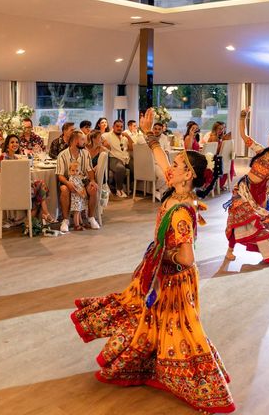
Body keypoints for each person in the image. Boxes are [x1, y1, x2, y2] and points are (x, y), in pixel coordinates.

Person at [70, 107, 234, 414]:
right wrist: (151, 138)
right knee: (151, 320)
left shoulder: (183, 210)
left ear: (190, 175)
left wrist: (163, 253)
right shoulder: (176, 190)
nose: (170, 167)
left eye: (179, 165)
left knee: (181, 331)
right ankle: (150, 366)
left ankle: (199, 384)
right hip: (158, 271)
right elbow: (160, 160)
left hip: (172, 278)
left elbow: (185, 258)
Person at [224, 107, 269, 265]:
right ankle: (230, 251)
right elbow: (244, 136)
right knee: (235, 218)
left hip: (260, 196)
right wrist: (243, 117)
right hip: (243, 188)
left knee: (259, 223)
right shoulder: (260, 151)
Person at [0, 134, 54, 225]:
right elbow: (3, 175)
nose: (15, 144)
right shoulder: (3, 157)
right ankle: (44, 214)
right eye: (12, 142)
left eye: (17, 142)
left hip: (19, 188)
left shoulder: (16, 158)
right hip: (10, 190)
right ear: (7, 144)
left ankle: (30, 222)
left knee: (38, 191)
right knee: (40, 186)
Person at [56, 131, 99, 232]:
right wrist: (68, 183)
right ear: (75, 141)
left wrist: (92, 180)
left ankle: (91, 218)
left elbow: (89, 170)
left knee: (93, 189)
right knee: (64, 189)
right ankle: (66, 220)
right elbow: (60, 176)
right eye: (82, 139)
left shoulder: (85, 153)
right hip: (68, 180)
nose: (85, 142)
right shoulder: (62, 155)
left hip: (82, 181)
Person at [102, 119, 133, 198]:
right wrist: (104, 142)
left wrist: (128, 136)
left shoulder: (125, 137)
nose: (119, 128)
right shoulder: (107, 135)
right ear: (113, 126)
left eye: (121, 127)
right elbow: (100, 137)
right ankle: (119, 189)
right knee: (120, 168)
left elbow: (132, 148)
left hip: (126, 158)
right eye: (117, 126)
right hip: (114, 158)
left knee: (136, 167)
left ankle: (128, 186)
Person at [68, 161, 87, 230]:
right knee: (76, 211)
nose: (75, 172)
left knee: (80, 210)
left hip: (80, 197)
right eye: (72, 170)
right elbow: (74, 188)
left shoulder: (78, 178)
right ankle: (76, 225)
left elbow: (82, 186)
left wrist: (84, 193)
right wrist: (80, 194)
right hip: (76, 197)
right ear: (69, 171)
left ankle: (81, 222)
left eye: (77, 170)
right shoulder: (71, 179)